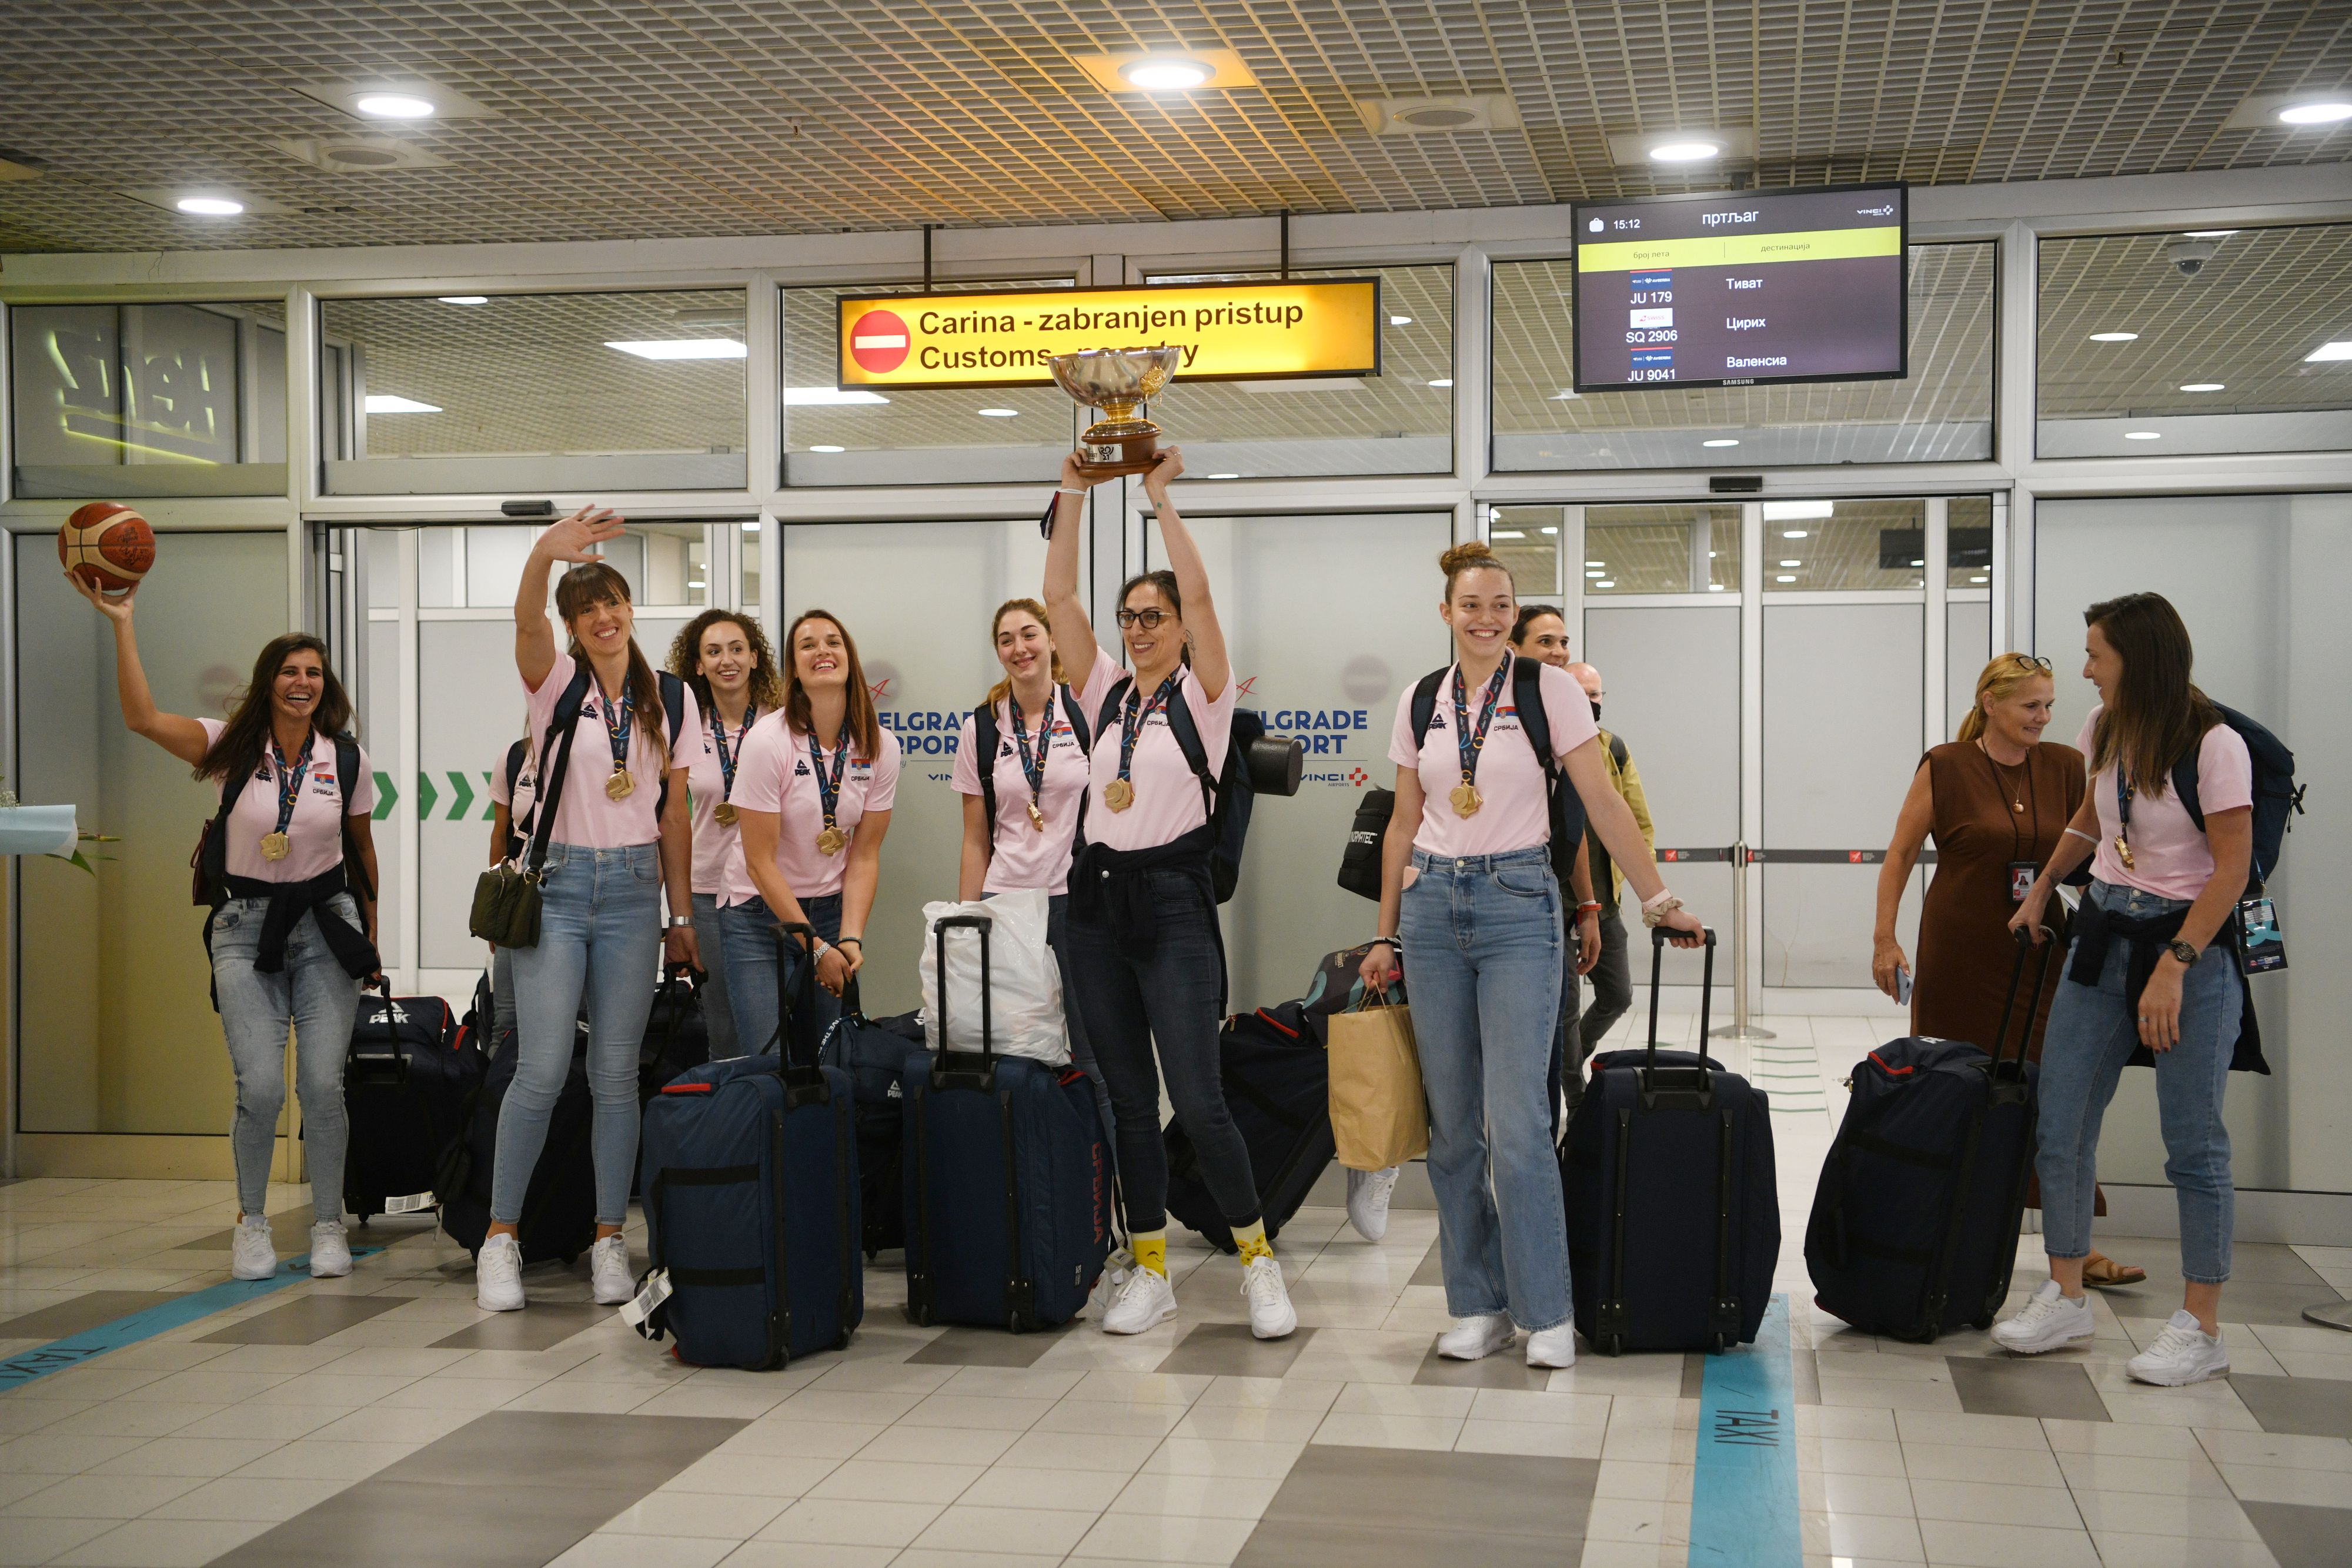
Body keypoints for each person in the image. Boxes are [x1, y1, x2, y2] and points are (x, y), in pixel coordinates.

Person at [1361, 542, 1705, 1368]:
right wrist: (1386, 929)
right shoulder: (1418, 701)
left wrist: (1656, 898)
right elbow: (1404, 824)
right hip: (1436, 905)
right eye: (1471, 603)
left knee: (1517, 1120)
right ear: (1446, 613)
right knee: (1452, 1130)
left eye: (1501, 604)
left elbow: (1600, 803)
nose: (1487, 617)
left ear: (1514, 614)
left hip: (1520, 903)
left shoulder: (1549, 689)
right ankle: (1476, 1303)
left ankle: (1545, 1305)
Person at [1045, 446, 1298, 1341]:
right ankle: (1149, 1266)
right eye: (1131, 617)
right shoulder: (1106, 691)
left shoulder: (1207, 696)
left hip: (1176, 906)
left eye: (1154, 615)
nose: (1141, 627)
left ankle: (1258, 1259)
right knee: (1125, 1097)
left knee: (1199, 1097)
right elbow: (1060, 603)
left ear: (1181, 627)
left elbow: (1200, 597)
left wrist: (1159, 498)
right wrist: (1073, 489)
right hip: (1095, 908)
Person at [74, 574, 380, 1282]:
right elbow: (142, 717)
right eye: (289, 671)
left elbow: (362, 850)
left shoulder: (348, 758)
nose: (301, 682)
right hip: (244, 927)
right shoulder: (228, 747)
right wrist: (123, 622)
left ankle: (330, 1225)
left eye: (313, 672)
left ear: (323, 685)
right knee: (261, 1086)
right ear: (268, 682)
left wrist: (370, 935)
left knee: (324, 1088)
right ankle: (251, 1223)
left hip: (327, 926)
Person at [1994, 593, 2251, 1386]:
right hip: (2104, 931)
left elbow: (2233, 867)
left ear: (2136, 660)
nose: (2084, 669)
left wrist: (2175, 963)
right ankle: (2067, 1294)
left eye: (2096, 655)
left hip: (2189, 948)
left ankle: (2201, 1325)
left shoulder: (2216, 744)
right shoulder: (2103, 730)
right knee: (2062, 1117)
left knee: (2193, 1141)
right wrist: (2043, 889)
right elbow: (2089, 819)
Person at [484, 507, 701, 1313]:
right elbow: (523, 617)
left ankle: (611, 1238)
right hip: (561, 886)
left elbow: (672, 815)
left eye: (613, 603)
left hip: (635, 891)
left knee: (616, 1075)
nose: (604, 618)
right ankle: (500, 1238)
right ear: (574, 627)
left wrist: (681, 918)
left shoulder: (669, 699)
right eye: (588, 611)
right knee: (540, 1068)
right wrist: (545, 553)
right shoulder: (555, 683)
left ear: (630, 608)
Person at [1874, 653, 2142, 1288]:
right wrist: (1885, 939)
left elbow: (2093, 847)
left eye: (2049, 705)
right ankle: (1941, 1228)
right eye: (2031, 706)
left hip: (2043, 952)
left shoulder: (2066, 766)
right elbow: (1901, 853)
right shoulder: (1946, 765)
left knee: (2055, 1092)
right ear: (1990, 703)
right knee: (1954, 1087)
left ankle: (2074, 1245)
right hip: (1962, 950)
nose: (2044, 717)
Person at [951, 597, 1115, 1145]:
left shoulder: (1088, 714)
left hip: (1076, 900)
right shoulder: (981, 728)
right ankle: (1034, 1184)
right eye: (1006, 639)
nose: (1019, 648)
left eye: (1029, 634)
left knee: (1094, 1053)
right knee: (1012, 1049)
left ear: (1050, 640)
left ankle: (1118, 1195)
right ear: (998, 651)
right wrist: (969, 916)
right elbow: (976, 837)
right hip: (1006, 906)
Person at [717, 609, 897, 1065]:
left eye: (833, 641)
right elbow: (759, 862)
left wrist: (850, 938)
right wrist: (815, 947)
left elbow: (865, 854)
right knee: (770, 1062)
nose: (823, 651)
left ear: (849, 658)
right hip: (757, 916)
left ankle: (827, 1139)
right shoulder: (767, 740)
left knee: (832, 1058)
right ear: (794, 669)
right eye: (808, 644)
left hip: (832, 910)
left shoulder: (880, 744)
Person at [667, 610, 784, 1058]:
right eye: (713, 652)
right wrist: (679, 914)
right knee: (724, 1025)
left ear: (755, 657)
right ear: (697, 665)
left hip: (771, 887)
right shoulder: (684, 727)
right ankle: (736, 1121)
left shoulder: (784, 723)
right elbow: (672, 818)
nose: (726, 660)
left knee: (777, 1025)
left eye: (737, 649)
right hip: (708, 888)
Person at [1504, 608, 1602, 1124]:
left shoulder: (1566, 714)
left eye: (1564, 641)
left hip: (1546, 902)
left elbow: (1578, 822)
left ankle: (1552, 1148)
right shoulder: (1480, 714)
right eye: (1546, 641)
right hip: (1476, 898)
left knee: (1552, 1033)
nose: (1560, 651)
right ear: (1514, 646)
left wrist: (1588, 905)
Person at [1565, 661, 1649, 1058]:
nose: (1587, 702)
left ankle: (1574, 1056)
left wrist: (1639, 880)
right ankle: (1578, 1104)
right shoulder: (1541, 750)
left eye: (1593, 695)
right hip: (1557, 904)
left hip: (1604, 901)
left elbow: (1639, 823)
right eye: (1577, 694)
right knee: (1564, 1012)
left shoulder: (1612, 747)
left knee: (1617, 995)